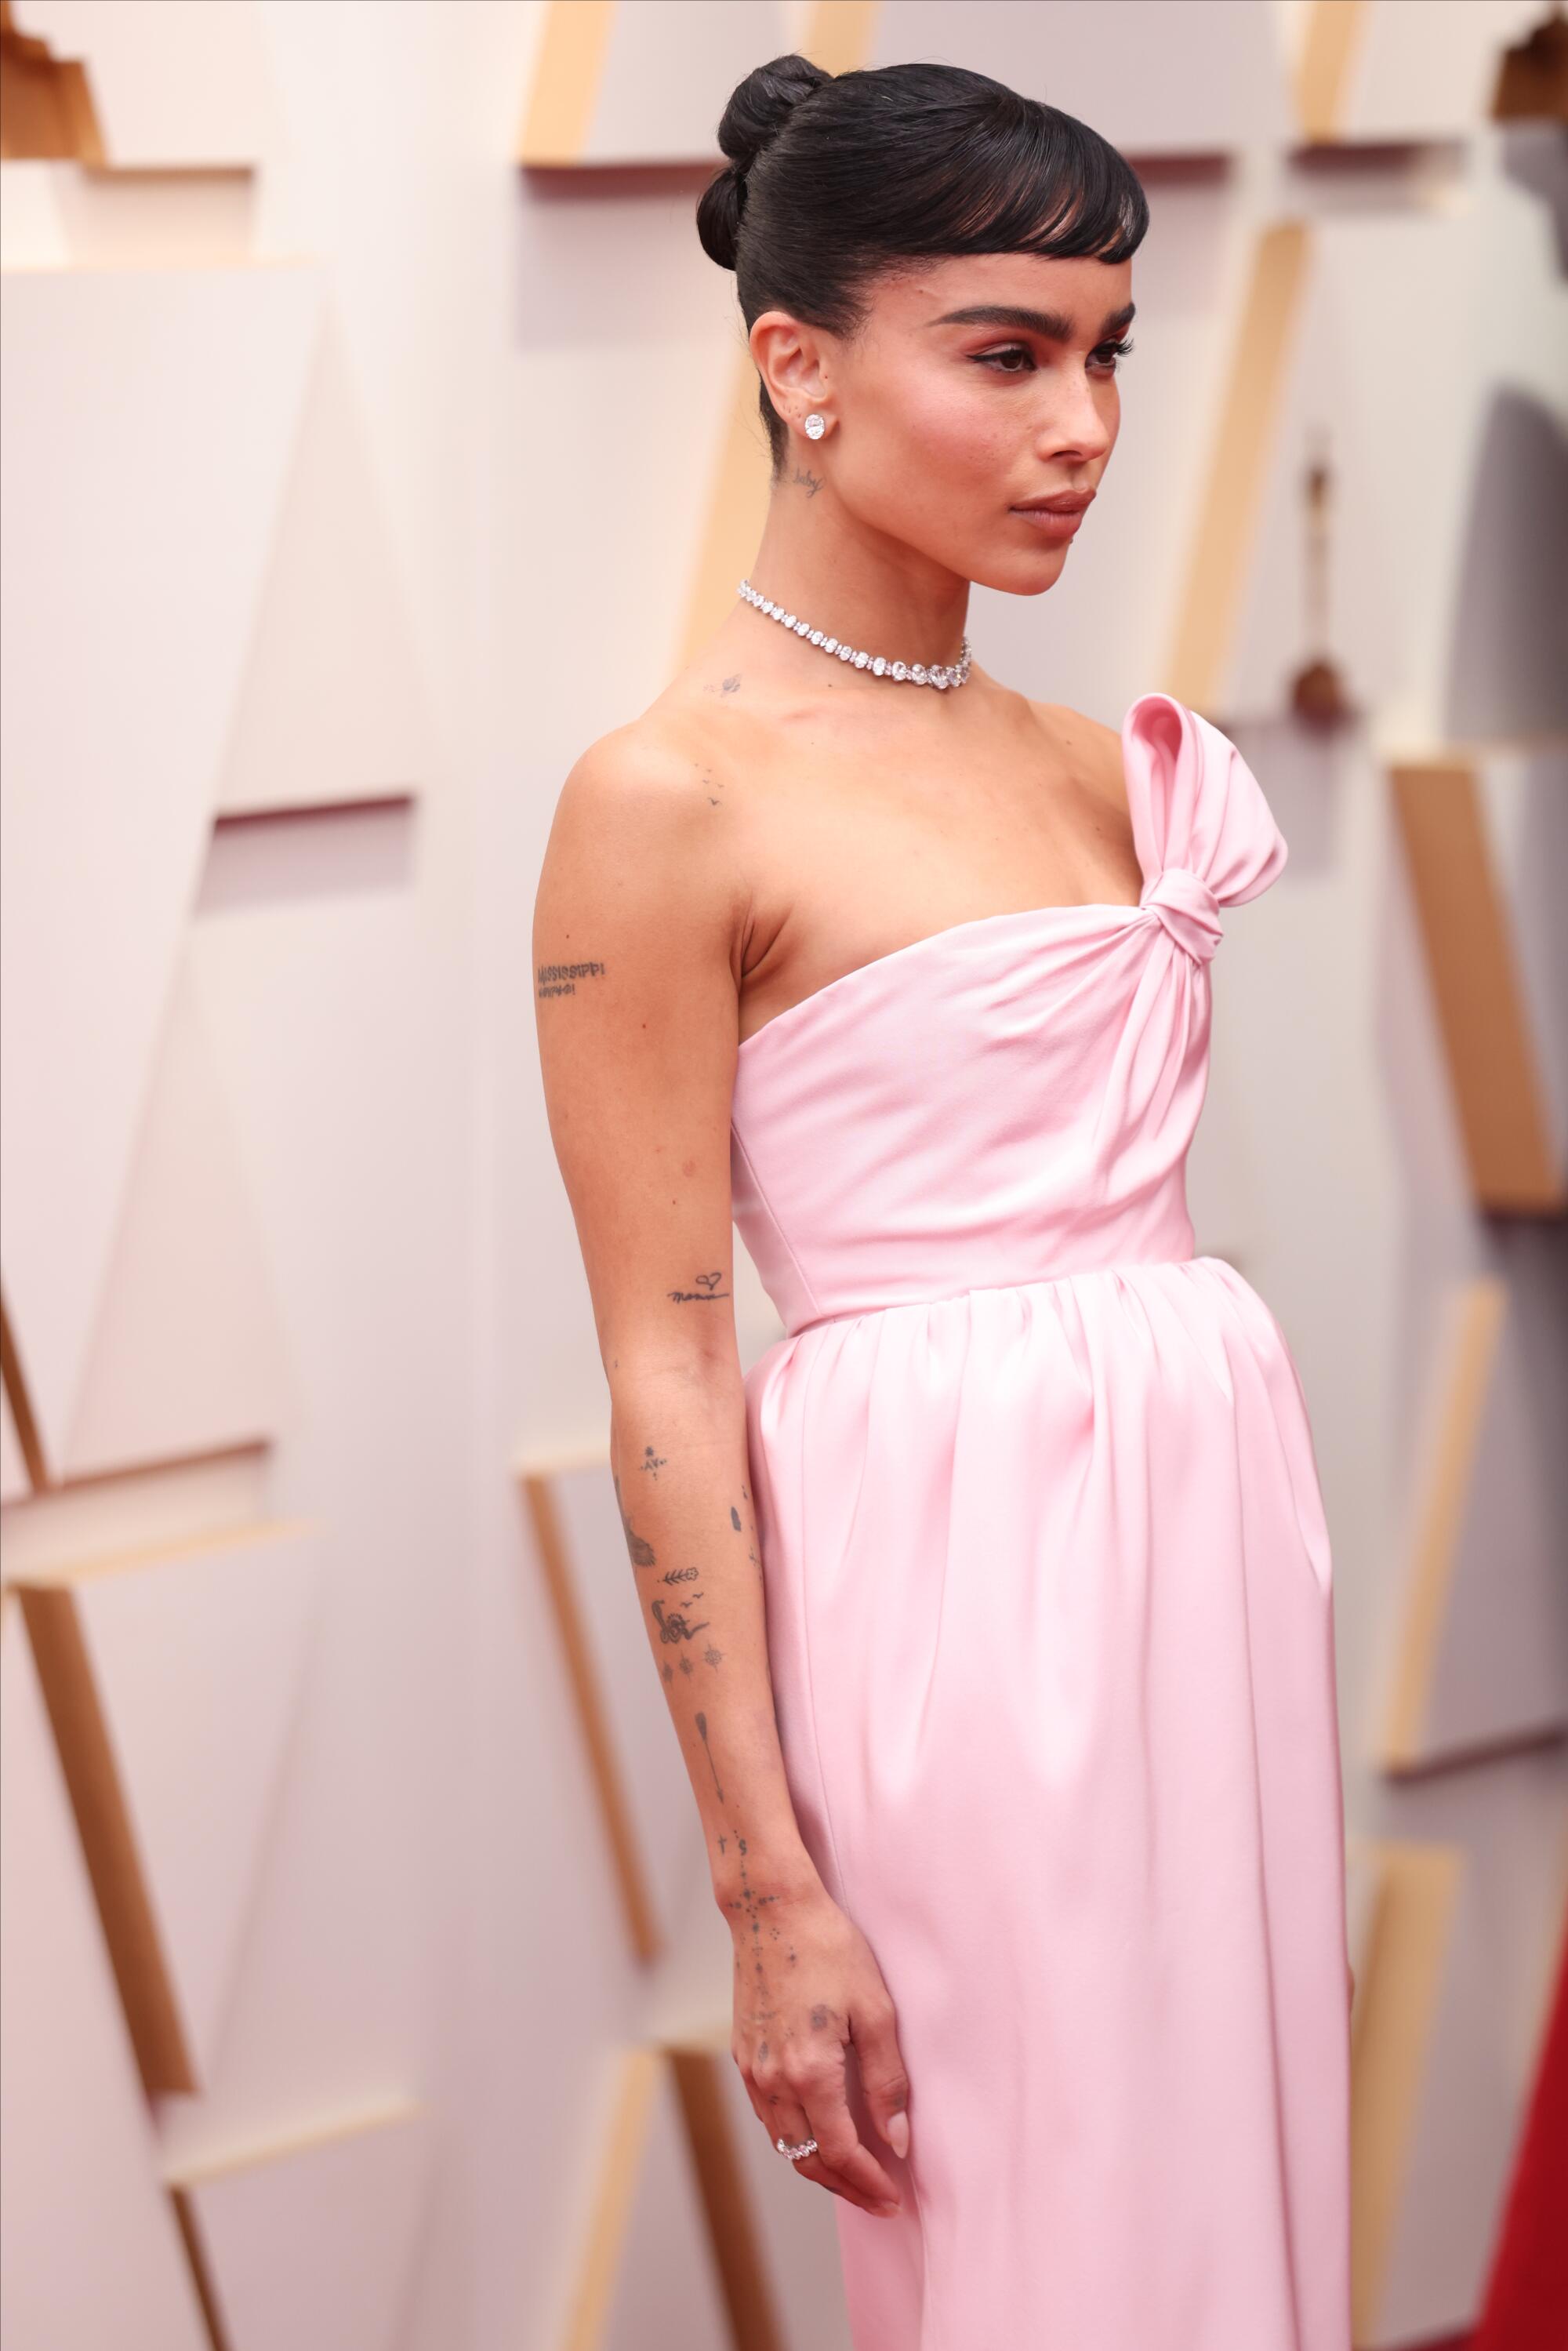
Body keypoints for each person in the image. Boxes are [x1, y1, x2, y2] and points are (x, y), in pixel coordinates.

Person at [532, 51, 1352, 2351]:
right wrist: (765, 1885)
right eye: (1006, 355)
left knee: (1229, 2217)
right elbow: (665, 1366)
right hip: (950, 1611)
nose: (1082, 424)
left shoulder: (1104, 777)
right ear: (796, 365)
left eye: (1107, 355)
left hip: (1207, 1564)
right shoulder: (667, 802)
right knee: (1038, 2251)